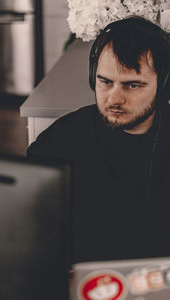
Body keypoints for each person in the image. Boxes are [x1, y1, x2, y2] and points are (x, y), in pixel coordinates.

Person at [27, 16, 170, 264]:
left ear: (164, 87)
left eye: (133, 85)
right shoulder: (58, 142)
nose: (114, 99)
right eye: (105, 82)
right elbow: (32, 234)